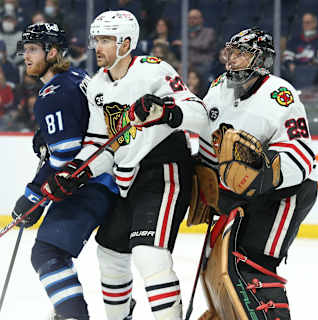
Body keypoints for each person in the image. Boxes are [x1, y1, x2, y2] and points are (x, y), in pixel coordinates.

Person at [41, 10, 208, 320]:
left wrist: (166, 111)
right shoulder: (98, 86)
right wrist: (75, 172)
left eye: (106, 40)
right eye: (97, 40)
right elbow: (99, 145)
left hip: (165, 170)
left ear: (127, 42)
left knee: (149, 254)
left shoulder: (153, 70)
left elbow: (198, 112)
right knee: (110, 252)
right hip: (128, 180)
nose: (98, 47)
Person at [195, 27, 318, 320]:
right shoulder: (218, 87)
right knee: (224, 262)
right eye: (232, 53)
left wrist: (267, 174)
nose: (233, 60)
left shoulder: (281, 95)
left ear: (261, 59)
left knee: (256, 263)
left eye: (242, 54)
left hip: (285, 194)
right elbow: (207, 140)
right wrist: (205, 175)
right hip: (242, 195)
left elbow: (302, 154)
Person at [11, 22, 119, 320]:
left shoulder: (53, 93)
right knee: (56, 252)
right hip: (108, 180)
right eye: (26, 50)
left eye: (33, 49)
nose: (26, 57)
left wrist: (32, 197)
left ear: (53, 51)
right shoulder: (78, 77)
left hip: (88, 185)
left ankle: (72, 316)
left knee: (47, 253)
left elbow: (66, 157)